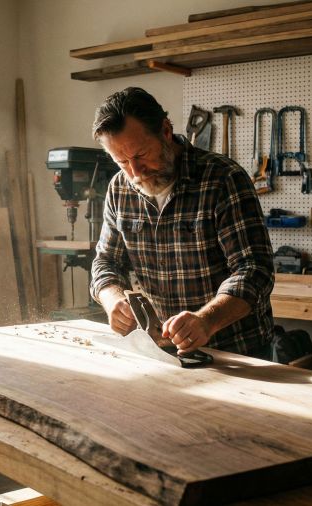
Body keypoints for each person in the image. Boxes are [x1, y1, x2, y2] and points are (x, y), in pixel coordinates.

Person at [89, 87, 275, 358]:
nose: (135, 172)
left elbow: (255, 270)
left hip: (236, 351)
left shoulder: (223, 179)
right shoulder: (120, 189)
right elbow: (106, 261)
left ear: (165, 130)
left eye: (140, 155)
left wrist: (206, 320)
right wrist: (112, 299)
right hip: (164, 351)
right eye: (122, 161)